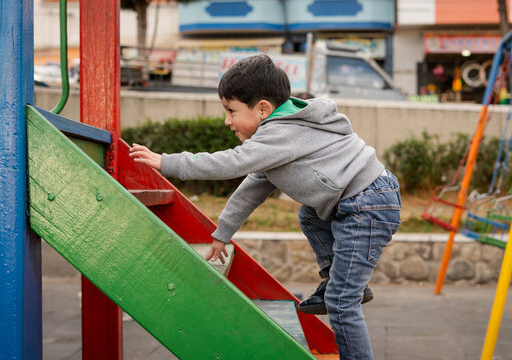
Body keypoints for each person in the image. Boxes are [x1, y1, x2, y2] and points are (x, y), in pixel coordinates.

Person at [129, 54, 401, 360]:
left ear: (262, 109)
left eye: (231, 111)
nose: (227, 121)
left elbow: (229, 163)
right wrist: (223, 233)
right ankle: (336, 280)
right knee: (309, 215)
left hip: (367, 202)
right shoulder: (278, 140)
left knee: (342, 303)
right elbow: (251, 189)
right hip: (359, 199)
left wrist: (167, 161)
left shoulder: (280, 134)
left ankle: (342, 297)